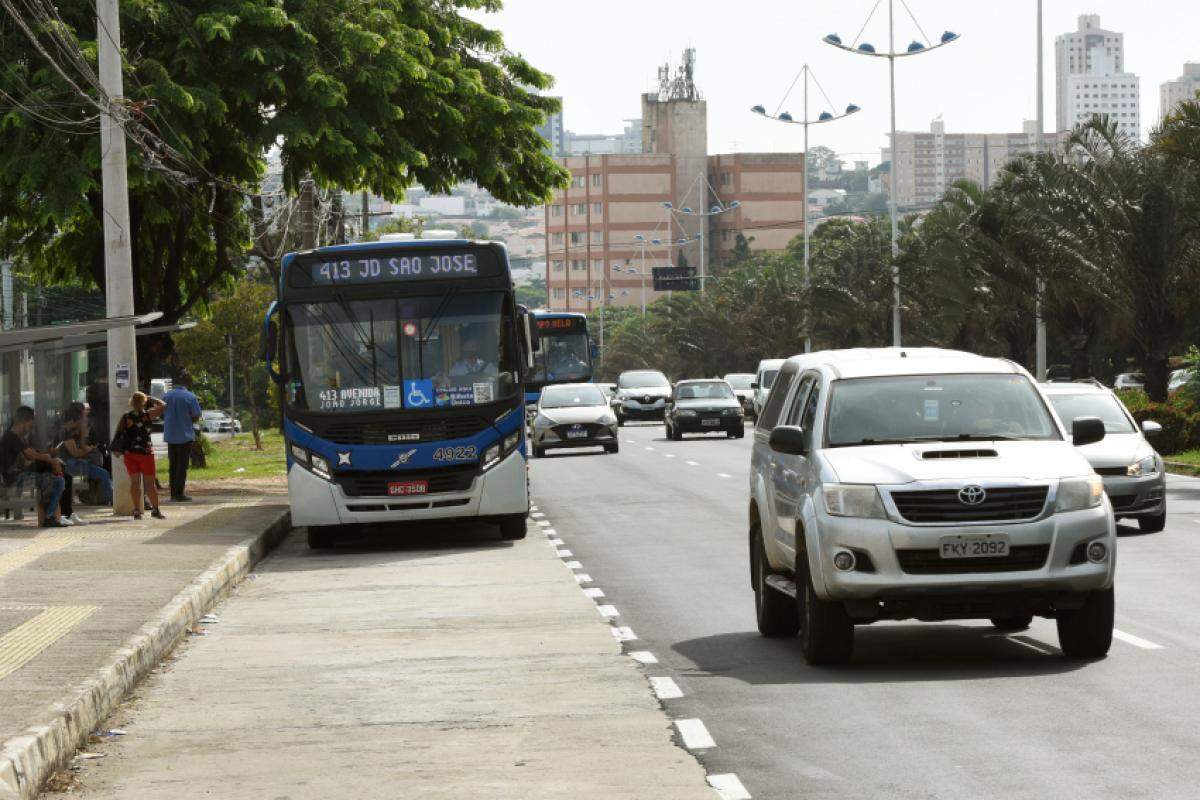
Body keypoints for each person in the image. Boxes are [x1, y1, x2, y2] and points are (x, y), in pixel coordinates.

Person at [0, 406, 68, 527]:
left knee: (53, 480)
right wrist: (50, 459)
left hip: (20, 476)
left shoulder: (17, 438)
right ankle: (48, 517)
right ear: (22, 422)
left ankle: (49, 516)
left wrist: (48, 455)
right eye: (30, 425)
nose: (30, 429)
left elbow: (31, 454)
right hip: (15, 479)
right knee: (58, 481)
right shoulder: (11, 437)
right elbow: (30, 454)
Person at [118, 392, 165, 520]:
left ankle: (137, 510)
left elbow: (119, 434)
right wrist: (152, 398)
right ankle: (155, 510)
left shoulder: (126, 417)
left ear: (131, 403)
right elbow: (164, 406)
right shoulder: (148, 415)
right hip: (145, 453)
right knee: (150, 484)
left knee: (134, 483)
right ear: (143, 402)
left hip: (130, 454)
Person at [59, 403, 113, 513]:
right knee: (103, 473)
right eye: (83, 416)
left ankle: (100, 495)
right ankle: (112, 499)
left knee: (98, 462)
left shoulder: (75, 430)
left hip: (74, 461)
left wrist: (84, 433)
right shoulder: (65, 431)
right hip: (69, 463)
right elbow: (75, 453)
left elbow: (82, 447)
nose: (85, 419)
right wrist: (89, 449)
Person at [162, 373, 202, 502]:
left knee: (173, 465)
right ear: (189, 383)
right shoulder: (191, 397)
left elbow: (161, 413)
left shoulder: (167, 396)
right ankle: (179, 493)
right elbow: (196, 416)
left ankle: (173, 493)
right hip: (185, 435)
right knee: (182, 466)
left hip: (170, 435)